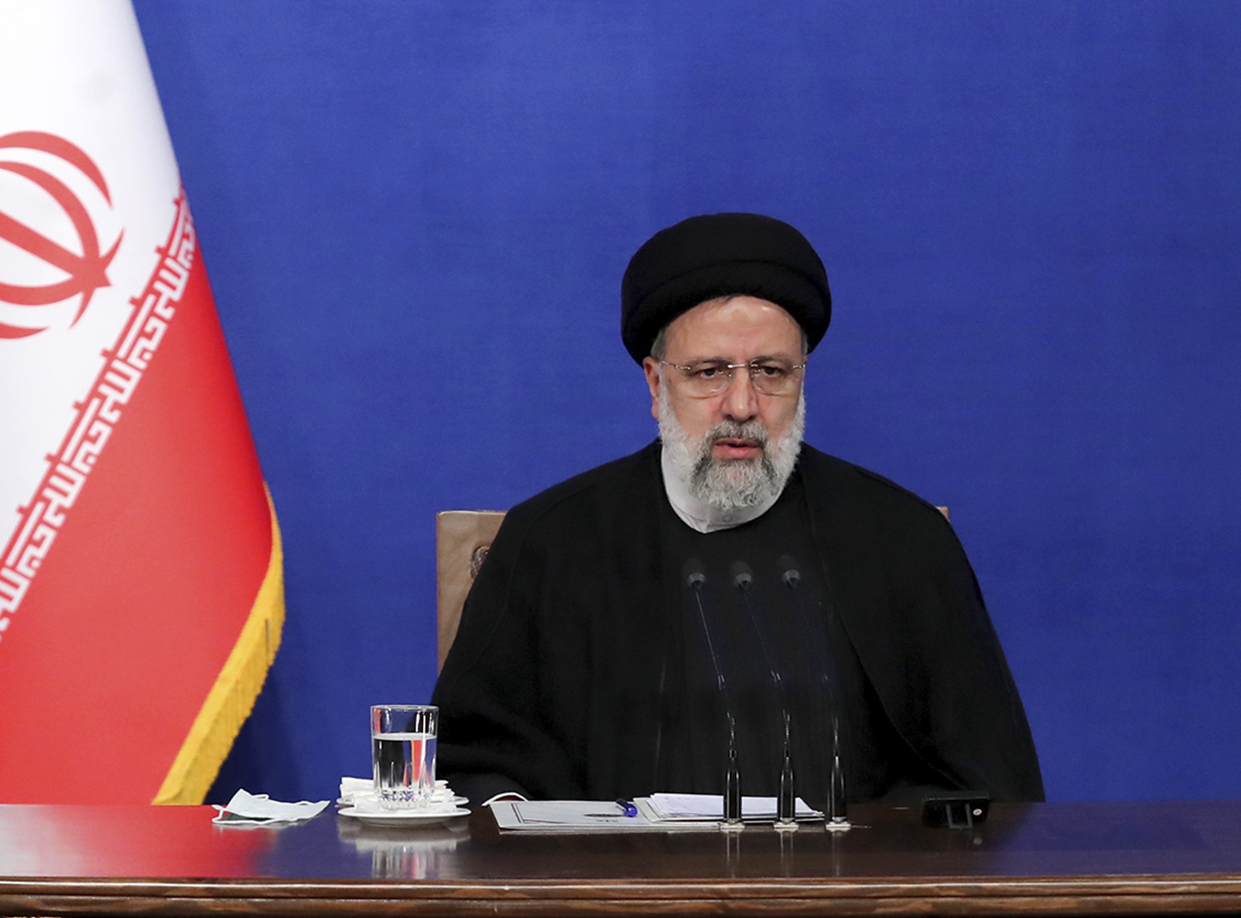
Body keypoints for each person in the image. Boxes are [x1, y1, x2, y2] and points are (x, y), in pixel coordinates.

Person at [433, 212, 1043, 808]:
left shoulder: (902, 540)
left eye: (771, 371)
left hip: (841, 901)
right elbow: (477, 767)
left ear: (801, 378)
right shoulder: (551, 540)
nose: (743, 404)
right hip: (620, 902)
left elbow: (987, 784)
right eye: (710, 372)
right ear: (655, 382)